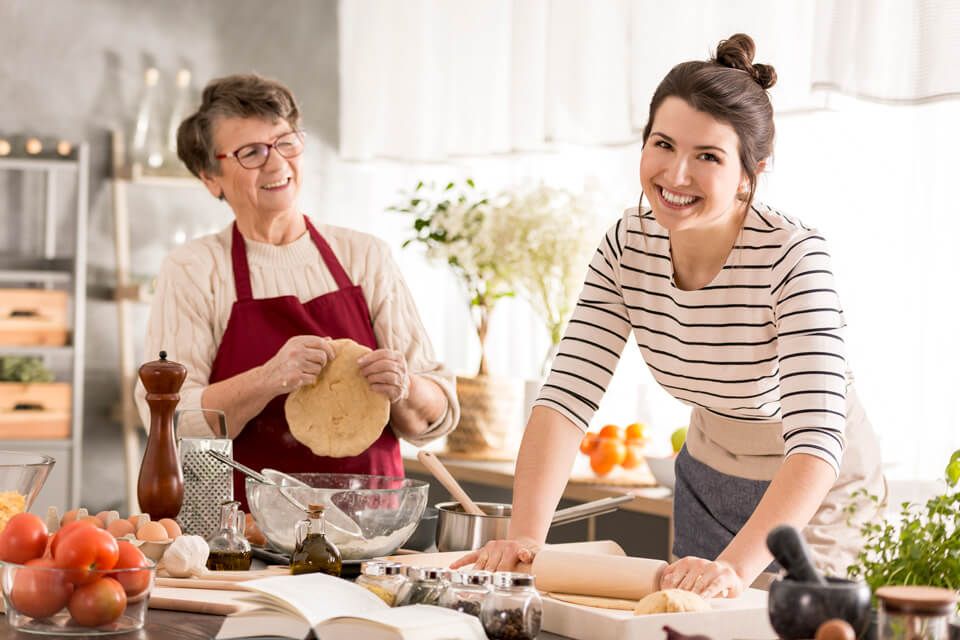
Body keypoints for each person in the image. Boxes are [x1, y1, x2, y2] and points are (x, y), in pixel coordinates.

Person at [453, 34, 884, 598]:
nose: (676, 175)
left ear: (751, 171)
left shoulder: (794, 257)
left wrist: (733, 568)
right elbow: (564, 399)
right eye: (663, 144)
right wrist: (526, 545)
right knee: (686, 623)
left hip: (814, 486)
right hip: (709, 468)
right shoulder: (627, 244)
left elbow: (815, 438)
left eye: (707, 156)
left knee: (790, 626)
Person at [134, 74, 459, 506]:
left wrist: (406, 387)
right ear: (210, 177)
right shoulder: (194, 269)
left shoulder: (365, 256)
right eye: (252, 152)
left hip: (369, 527)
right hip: (245, 533)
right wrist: (269, 378)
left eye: (285, 142)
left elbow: (438, 415)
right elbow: (168, 420)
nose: (276, 164)